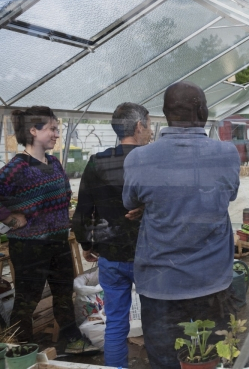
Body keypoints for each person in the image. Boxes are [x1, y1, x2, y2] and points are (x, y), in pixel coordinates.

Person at [122, 81, 240, 369]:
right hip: (211, 279)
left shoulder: (139, 157)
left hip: (160, 283)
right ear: (202, 110)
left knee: (164, 360)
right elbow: (229, 195)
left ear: (165, 113)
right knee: (213, 357)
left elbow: (130, 201)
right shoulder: (226, 154)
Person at [0, 106, 97, 353]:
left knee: (64, 294)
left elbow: (64, 196)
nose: (56, 134)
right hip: (28, 246)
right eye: (52, 129)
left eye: (57, 129)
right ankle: (21, 347)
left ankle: (70, 341)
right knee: (27, 299)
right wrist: (10, 218)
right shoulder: (17, 167)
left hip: (58, 242)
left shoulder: (54, 163)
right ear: (33, 131)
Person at [72, 103, 152, 368]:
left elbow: (83, 210)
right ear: (139, 126)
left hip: (111, 254)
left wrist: (87, 243)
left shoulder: (98, 162)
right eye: (149, 125)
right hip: (148, 255)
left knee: (116, 321)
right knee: (155, 319)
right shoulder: (151, 160)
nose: (150, 131)